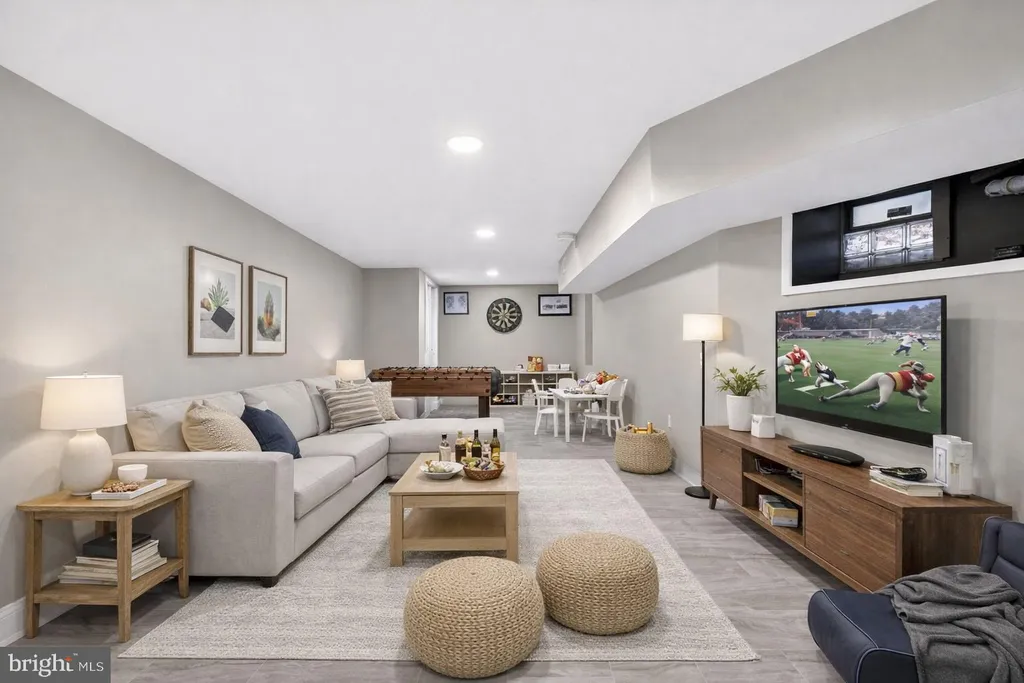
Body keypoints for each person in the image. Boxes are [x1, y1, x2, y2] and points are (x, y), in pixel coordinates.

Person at [818, 360, 935, 412]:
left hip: (881, 375)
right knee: (883, 402)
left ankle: (828, 398)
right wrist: (916, 395)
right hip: (888, 381)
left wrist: (903, 365)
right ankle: (874, 406)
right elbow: (915, 391)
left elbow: (911, 363)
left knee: (852, 392)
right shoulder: (915, 378)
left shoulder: (914, 374)